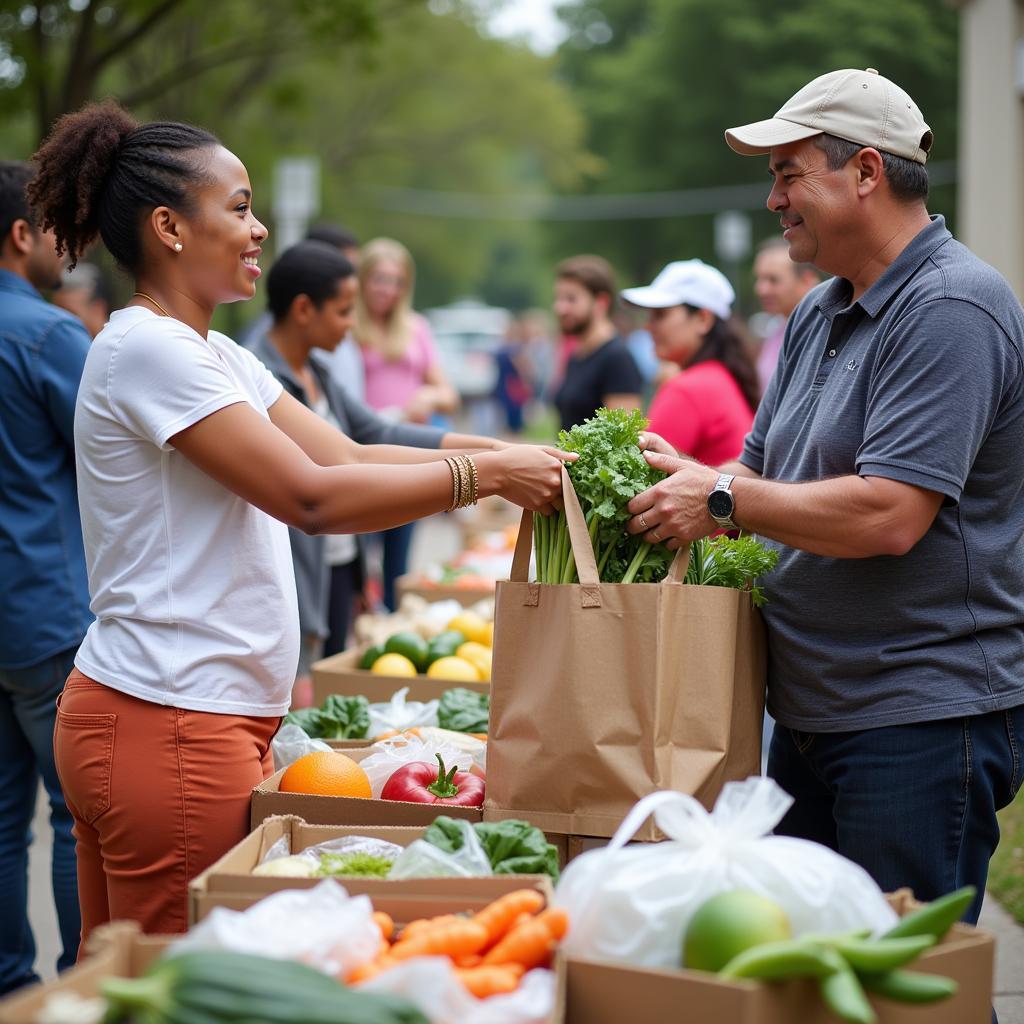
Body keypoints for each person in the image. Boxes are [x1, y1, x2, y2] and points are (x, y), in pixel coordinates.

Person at [27, 100, 569, 944]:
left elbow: (348, 454)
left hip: (178, 715)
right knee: (178, 977)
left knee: (120, 978)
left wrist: (523, 454)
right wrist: (486, 475)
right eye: (239, 207)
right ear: (170, 227)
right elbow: (311, 499)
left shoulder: (214, 350)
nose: (259, 229)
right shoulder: (151, 351)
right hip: (169, 720)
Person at [624, 68, 1024, 931]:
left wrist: (722, 497)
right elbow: (761, 472)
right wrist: (683, 479)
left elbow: (889, 514)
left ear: (867, 173)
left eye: (788, 172)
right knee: (819, 967)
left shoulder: (953, 305)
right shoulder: (818, 313)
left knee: (905, 980)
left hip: (918, 718)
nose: (774, 199)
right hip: (813, 710)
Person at [249, 240, 510, 682]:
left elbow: (377, 434)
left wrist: (491, 451)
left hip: (333, 564)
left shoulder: (319, 373)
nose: (352, 325)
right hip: (290, 579)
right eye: (344, 311)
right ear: (303, 310)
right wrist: (489, 469)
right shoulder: (259, 376)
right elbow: (348, 458)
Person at [0, 161, 89, 993]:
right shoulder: (48, 333)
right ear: (21, 234)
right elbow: (113, 455)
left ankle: (11, 992)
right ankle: (77, 988)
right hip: (45, 609)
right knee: (76, 818)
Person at [354, 237, 460, 611]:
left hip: (406, 452)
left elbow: (448, 392)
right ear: (363, 279)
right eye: (379, 279)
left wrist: (428, 398)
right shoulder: (346, 325)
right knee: (359, 554)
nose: (387, 289)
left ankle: (393, 621)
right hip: (361, 450)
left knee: (399, 554)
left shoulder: (416, 328)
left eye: (396, 281)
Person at [621, 259, 758, 466]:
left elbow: (636, 472)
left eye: (660, 315)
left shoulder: (688, 389)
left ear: (703, 319)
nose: (649, 327)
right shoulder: (718, 376)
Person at [551, 255, 643, 432]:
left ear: (601, 302)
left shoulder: (617, 359)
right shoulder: (577, 356)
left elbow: (623, 438)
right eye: (558, 298)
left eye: (571, 299)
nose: (560, 308)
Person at [752, 237, 820, 391]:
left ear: (807, 280)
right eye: (759, 279)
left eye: (773, 280)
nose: (761, 289)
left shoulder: (822, 333)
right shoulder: (777, 328)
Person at [51, 261, 113, 338]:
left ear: (98, 309)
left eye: (70, 315)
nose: (59, 323)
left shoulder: (120, 346)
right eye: (54, 313)